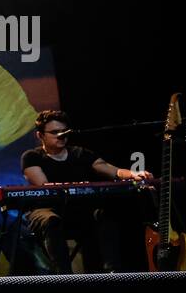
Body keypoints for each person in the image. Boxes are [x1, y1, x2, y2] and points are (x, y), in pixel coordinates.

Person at [21, 109, 152, 273]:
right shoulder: (31, 156)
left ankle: (113, 272)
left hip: (77, 211)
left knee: (104, 214)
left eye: (63, 131)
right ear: (40, 135)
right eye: (55, 132)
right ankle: (64, 277)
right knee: (51, 220)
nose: (61, 135)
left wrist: (134, 173)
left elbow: (110, 169)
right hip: (45, 210)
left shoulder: (80, 153)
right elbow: (44, 186)